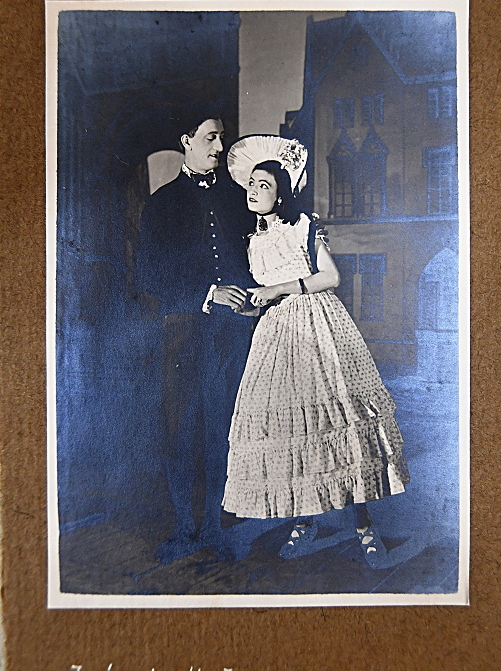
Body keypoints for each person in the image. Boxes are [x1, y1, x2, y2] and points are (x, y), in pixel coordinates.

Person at [222, 135, 409, 567]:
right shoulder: (252, 240)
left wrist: (278, 289)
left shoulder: (303, 227)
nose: (254, 191)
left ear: (281, 193)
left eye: (264, 185)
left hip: (316, 326)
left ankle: (363, 527)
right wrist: (254, 305)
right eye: (251, 184)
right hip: (275, 336)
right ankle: (304, 522)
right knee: (292, 430)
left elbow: (330, 277)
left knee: (337, 424)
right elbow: (265, 293)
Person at [137, 104, 255, 562]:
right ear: (186, 141)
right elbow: (149, 275)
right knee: (180, 427)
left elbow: (255, 256)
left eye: (221, 137)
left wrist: (251, 295)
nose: (220, 147)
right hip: (184, 332)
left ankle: (215, 528)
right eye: (210, 138)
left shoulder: (237, 198)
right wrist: (208, 293)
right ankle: (184, 527)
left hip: (231, 334)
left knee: (223, 427)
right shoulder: (161, 203)